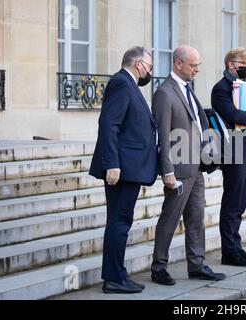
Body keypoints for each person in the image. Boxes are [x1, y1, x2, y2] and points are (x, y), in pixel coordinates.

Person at [151, 45, 226, 285]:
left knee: (196, 218)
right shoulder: (164, 92)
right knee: (170, 219)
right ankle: (158, 267)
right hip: (178, 169)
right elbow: (162, 136)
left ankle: (197, 264)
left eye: (198, 65)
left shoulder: (187, 89)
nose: (197, 70)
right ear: (178, 64)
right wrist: (167, 171)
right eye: (194, 65)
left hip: (196, 168)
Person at [89, 47, 158, 294]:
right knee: (119, 222)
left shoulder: (129, 84)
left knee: (121, 221)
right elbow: (109, 125)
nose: (150, 72)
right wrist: (113, 164)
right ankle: (113, 278)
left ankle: (118, 274)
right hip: (123, 168)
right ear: (139, 64)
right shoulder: (121, 83)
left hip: (131, 168)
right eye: (149, 67)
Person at [211, 48, 246, 267]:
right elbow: (233, 115)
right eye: (244, 64)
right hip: (233, 150)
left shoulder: (245, 87)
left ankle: (237, 248)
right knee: (232, 203)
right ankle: (230, 252)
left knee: (241, 203)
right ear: (230, 64)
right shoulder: (221, 88)